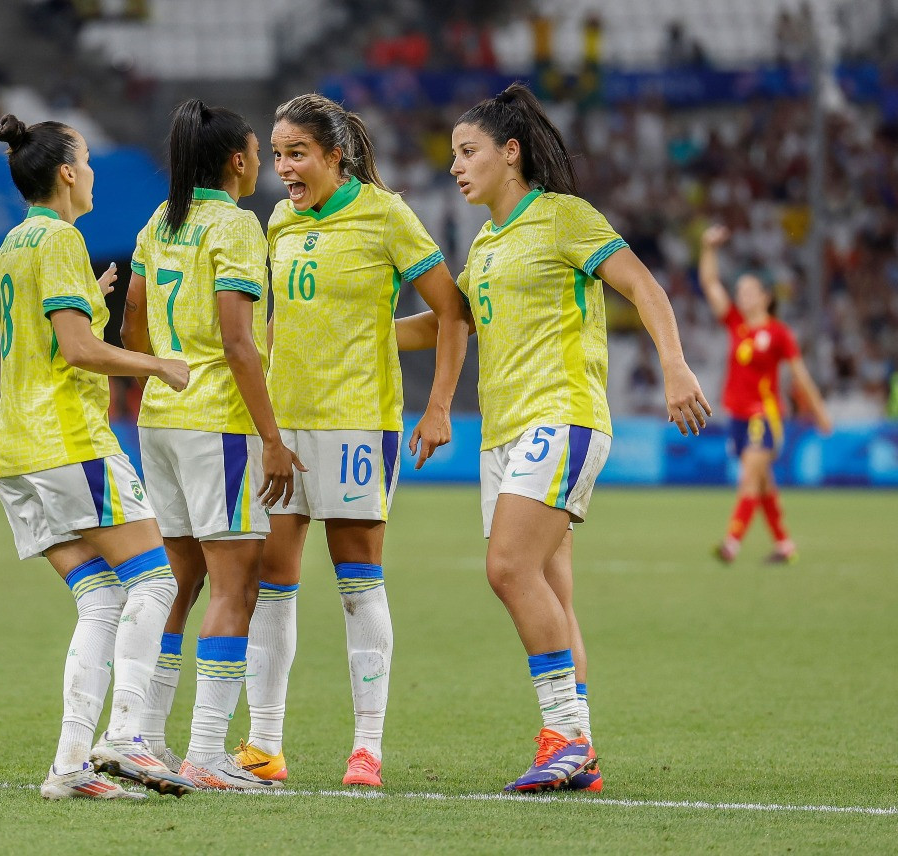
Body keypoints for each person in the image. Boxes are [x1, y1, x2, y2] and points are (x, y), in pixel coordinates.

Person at [398, 82, 710, 793]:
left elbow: (643, 287)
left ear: (510, 154)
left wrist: (673, 365)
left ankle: (563, 737)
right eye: (452, 154)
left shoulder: (565, 218)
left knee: (507, 569)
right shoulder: (485, 244)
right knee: (552, 593)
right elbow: (446, 325)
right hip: (503, 433)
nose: (454, 166)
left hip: (560, 416)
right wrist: (356, 337)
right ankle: (581, 751)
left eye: (467, 151)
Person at [235, 93, 470, 788]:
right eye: (276, 155)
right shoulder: (278, 220)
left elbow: (450, 311)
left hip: (357, 422)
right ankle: (264, 744)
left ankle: (366, 746)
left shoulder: (384, 215)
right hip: (283, 425)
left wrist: (436, 407)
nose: (283, 170)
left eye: (297, 154)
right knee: (268, 582)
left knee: (355, 581)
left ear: (336, 156)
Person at [0, 113, 195, 801]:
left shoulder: (16, 243)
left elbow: (50, 337)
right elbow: (78, 351)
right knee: (156, 580)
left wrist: (92, 303)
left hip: (15, 451)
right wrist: (155, 364)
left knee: (102, 599)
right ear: (68, 172)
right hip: (67, 441)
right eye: (88, 159)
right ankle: (128, 735)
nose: (95, 170)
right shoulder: (60, 239)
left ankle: (70, 767)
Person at [120, 99, 303, 790]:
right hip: (215, 424)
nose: (263, 162)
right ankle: (204, 752)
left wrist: (158, 366)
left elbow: (132, 318)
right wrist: (272, 439)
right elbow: (236, 342)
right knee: (235, 585)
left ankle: (141, 736)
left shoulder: (158, 223)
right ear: (235, 160)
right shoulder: (234, 225)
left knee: (179, 581)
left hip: (159, 418)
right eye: (259, 151)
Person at [699, 225, 832, 563]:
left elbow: (800, 375)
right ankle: (785, 546)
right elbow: (710, 284)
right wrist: (707, 247)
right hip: (737, 416)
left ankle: (731, 543)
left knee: (749, 477)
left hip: (765, 414)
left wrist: (818, 412)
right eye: (739, 290)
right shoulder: (735, 325)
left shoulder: (778, 333)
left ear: (766, 296)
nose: (740, 295)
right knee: (763, 484)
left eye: (748, 290)